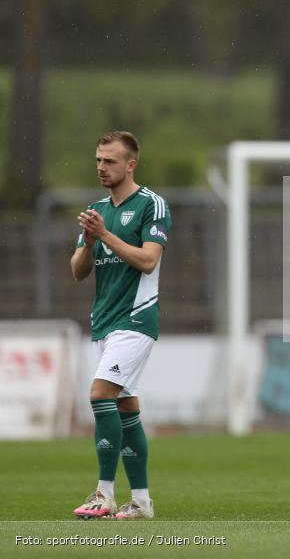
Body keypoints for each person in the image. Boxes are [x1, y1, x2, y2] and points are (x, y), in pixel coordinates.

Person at [70, 131, 171, 520]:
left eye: (109, 161)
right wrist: (88, 241)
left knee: (100, 395)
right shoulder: (96, 210)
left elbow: (148, 261)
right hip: (105, 322)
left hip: (136, 318)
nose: (101, 166)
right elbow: (78, 272)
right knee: (126, 407)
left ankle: (104, 494)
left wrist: (105, 235)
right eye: (98, 159)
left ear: (131, 165)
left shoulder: (152, 205)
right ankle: (142, 502)